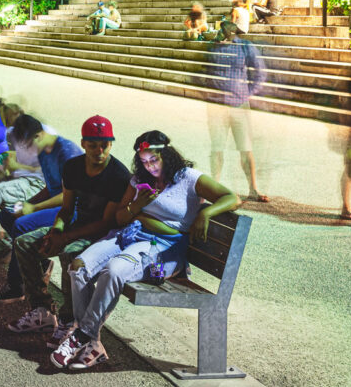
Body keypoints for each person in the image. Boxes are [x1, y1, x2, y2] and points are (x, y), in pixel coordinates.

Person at [50, 131, 240, 369]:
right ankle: (92, 343)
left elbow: (231, 197)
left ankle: (82, 334)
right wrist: (137, 206)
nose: (149, 166)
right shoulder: (139, 180)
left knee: (113, 271)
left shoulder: (188, 178)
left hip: (162, 252)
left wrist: (205, 213)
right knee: (78, 268)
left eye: (154, 160)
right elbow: (120, 218)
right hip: (128, 236)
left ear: (167, 155)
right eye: (143, 161)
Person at [5, 115, 130, 350]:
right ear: (83, 144)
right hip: (75, 226)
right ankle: (42, 310)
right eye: (93, 145)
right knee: (25, 244)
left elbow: (106, 223)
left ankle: (68, 320)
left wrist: (64, 238)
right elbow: (65, 209)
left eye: (104, 145)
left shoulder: (118, 176)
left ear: (111, 144)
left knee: (69, 254)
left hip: (103, 237)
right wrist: (55, 232)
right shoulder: (74, 167)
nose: (99, 151)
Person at [0, 115, 83, 302]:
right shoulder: (45, 150)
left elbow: (68, 195)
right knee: (7, 216)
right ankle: (40, 262)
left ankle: (17, 287)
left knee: (21, 225)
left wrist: (34, 207)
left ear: (38, 135)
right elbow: (50, 188)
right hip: (56, 205)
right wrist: (27, 203)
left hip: (72, 210)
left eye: (28, 144)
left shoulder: (66, 152)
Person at [207, 20, 268, 202]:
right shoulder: (213, 46)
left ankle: (253, 189)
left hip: (239, 104)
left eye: (229, 29)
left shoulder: (244, 46)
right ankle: (214, 188)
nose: (225, 31)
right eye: (223, 28)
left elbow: (260, 72)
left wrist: (246, 92)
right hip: (217, 105)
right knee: (217, 148)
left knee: (246, 148)